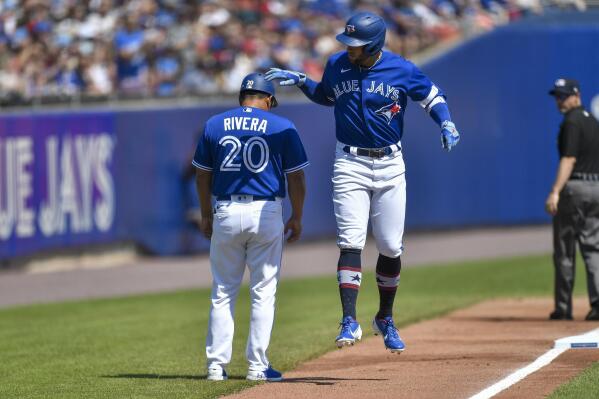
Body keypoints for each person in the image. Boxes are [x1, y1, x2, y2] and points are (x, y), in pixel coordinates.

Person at [265, 11, 460, 353]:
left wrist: (445, 122)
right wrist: (301, 81)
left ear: (374, 44)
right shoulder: (337, 64)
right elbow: (326, 96)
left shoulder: (401, 68)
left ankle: (385, 317)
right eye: (348, 42)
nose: (349, 48)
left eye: (356, 44)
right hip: (350, 161)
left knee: (390, 246)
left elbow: (433, 97)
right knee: (350, 240)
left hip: (390, 163)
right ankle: (349, 319)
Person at [193, 72, 309, 381]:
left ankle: (216, 367)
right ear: (269, 99)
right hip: (265, 211)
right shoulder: (282, 125)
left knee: (222, 291)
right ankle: (257, 367)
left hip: (226, 209)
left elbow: (202, 175)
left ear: (241, 97)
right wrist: (297, 216)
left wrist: (206, 214)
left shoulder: (215, 123)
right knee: (263, 292)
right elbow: (296, 177)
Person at [545, 78, 599, 321]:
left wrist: (556, 190)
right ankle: (598, 304)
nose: (560, 100)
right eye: (557, 96)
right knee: (593, 248)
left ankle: (563, 308)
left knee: (565, 250)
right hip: (596, 186)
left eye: (564, 96)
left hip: (575, 188)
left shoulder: (572, 122)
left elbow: (569, 159)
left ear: (576, 95)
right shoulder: (593, 121)